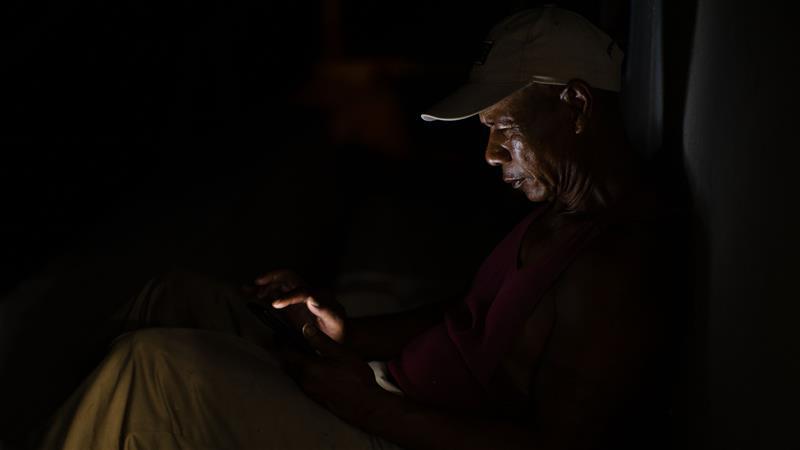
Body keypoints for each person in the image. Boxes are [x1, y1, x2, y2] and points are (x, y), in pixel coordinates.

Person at [38, 7, 680, 450]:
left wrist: (372, 406)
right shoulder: (562, 209)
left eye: (503, 128)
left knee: (148, 368)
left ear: (575, 103)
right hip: (385, 389)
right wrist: (349, 330)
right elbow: (467, 317)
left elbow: (557, 446)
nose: (488, 153)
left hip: (390, 433)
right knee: (171, 295)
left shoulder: (615, 264)